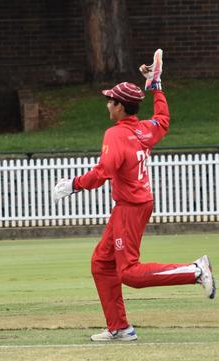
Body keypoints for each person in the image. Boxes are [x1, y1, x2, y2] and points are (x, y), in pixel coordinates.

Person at [52, 49, 215, 342]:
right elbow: (162, 119)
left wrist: (73, 184)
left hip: (130, 207)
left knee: (128, 273)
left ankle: (194, 271)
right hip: (134, 204)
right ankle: (119, 328)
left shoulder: (115, 135)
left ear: (119, 107)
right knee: (101, 264)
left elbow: (103, 172)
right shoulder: (144, 130)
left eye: (110, 100)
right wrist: (156, 85)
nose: (107, 104)